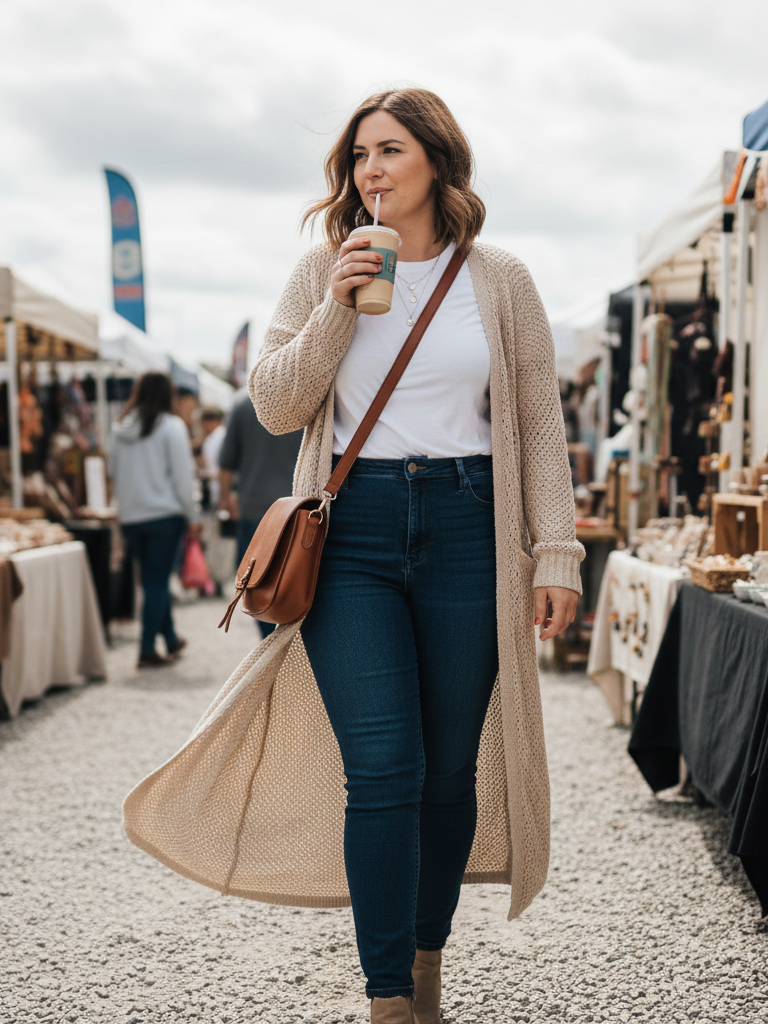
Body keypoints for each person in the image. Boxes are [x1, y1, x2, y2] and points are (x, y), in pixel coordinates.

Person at [123, 89, 585, 1024]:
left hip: (470, 523)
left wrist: (558, 554)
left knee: (448, 771)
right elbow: (275, 405)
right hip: (352, 530)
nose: (371, 169)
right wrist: (337, 306)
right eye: (359, 156)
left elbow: (540, 424)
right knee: (382, 767)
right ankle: (387, 1001)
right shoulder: (321, 268)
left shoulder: (499, 278)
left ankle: (425, 964)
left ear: (437, 161)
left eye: (390, 150)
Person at [109, 372, 198, 668]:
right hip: (164, 516)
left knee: (151, 580)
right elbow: (183, 478)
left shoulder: (119, 428)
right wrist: (192, 514)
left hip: (131, 517)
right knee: (157, 581)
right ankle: (147, 648)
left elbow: (112, 471)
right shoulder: (172, 427)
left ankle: (170, 638)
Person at [217, 391, 302, 634]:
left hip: (254, 509)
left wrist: (225, 497)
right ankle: (294, 638)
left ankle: (269, 639)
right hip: (298, 507)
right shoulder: (303, 400)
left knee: (255, 583)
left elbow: (226, 463)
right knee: (298, 578)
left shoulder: (243, 407)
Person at [197, 407, 234, 595]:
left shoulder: (218, 438)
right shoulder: (216, 438)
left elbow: (223, 469)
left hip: (218, 496)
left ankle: (216, 579)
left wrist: (205, 474)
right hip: (217, 496)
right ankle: (216, 579)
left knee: (218, 543)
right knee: (218, 543)